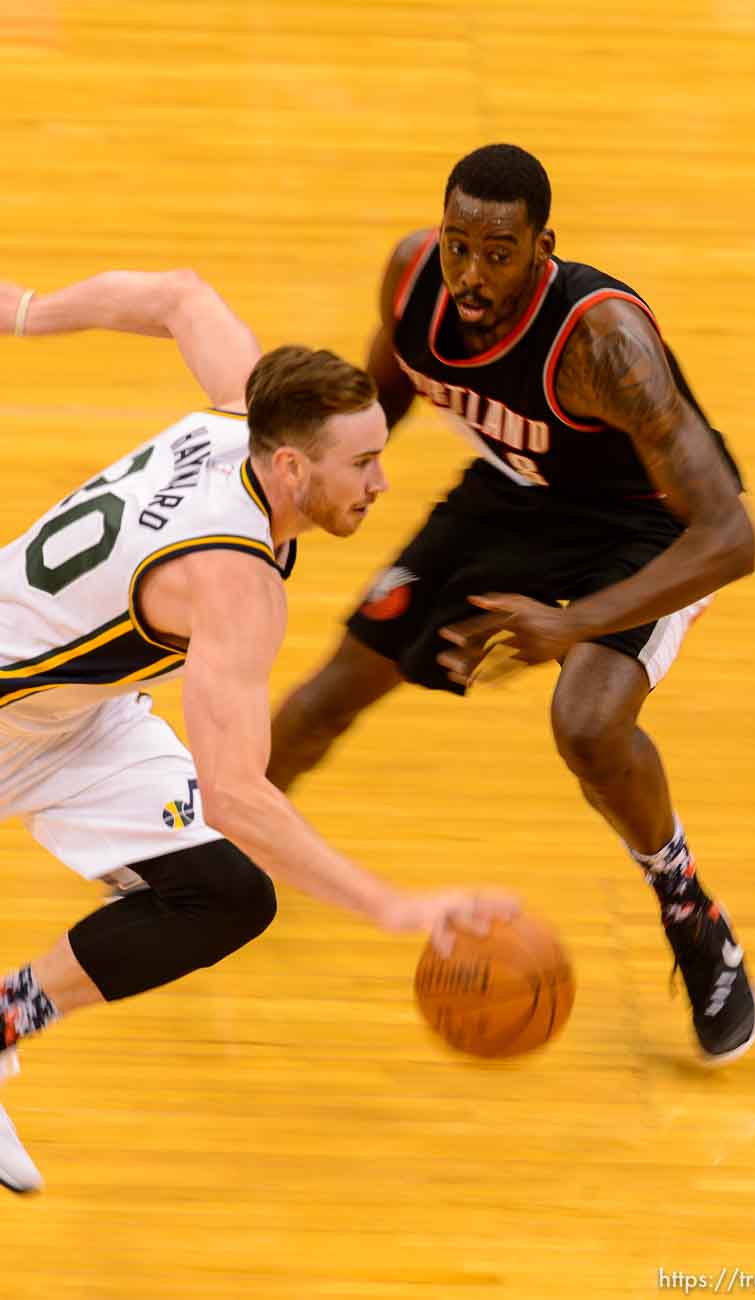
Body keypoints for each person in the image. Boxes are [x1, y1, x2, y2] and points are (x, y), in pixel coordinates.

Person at [0, 268, 518, 1194]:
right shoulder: (236, 584)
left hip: (72, 715)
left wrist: (30, 314)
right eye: (360, 463)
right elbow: (237, 793)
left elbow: (181, 298)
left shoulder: (242, 414)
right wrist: (388, 905)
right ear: (289, 467)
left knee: (224, 895)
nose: (381, 480)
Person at [266, 143, 755, 1068]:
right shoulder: (415, 278)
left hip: (646, 525)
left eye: (498, 253)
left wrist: (570, 623)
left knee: (586, 723)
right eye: (460, 244)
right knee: (330, 692)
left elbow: (729, 537)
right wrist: (289, 498)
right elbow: (381, 395)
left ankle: (689, 908)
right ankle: (216, 855)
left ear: (543, 248)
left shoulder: (602, 347)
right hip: (515, 498)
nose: (471, 272)